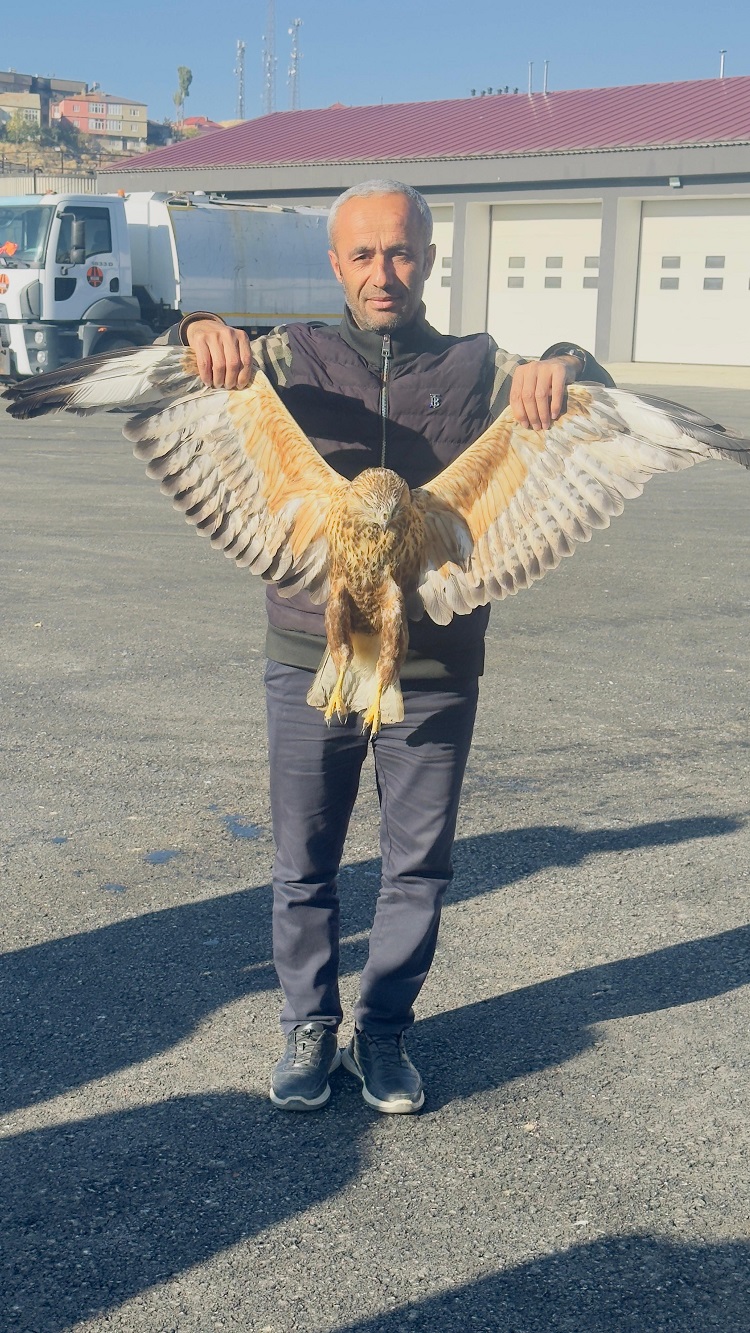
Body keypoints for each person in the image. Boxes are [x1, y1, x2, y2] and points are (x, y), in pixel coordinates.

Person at [165, 180, 614, 1114]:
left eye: (401, 252)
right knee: (305, 860)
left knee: (418, 865)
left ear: (429, 260)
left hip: (437, 663)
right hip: (311, 655)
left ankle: (387, 1032)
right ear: (335, 265)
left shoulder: (482, 364)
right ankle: (307, 1024)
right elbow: (185, 365)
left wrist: (568, 360)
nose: (384, 273)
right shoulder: (287, 357)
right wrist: (196, 326)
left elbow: (592, 398)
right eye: (364, 255)